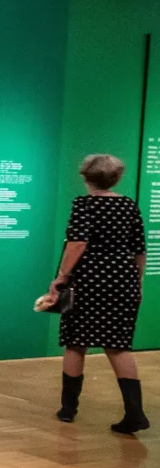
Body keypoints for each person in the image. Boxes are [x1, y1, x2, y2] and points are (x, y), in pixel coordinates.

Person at [49, 154, 149, 433]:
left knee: (76, 341)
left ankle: (68, 409)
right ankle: (135, 412)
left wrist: (61, 277)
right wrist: (137, 283)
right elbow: (139, 250)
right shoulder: (129, 206)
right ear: (116, 177)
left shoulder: (84, 205)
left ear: (85, 177)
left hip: (88, 282)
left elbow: (77, 243)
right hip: (123, 280)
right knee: (118, 345)